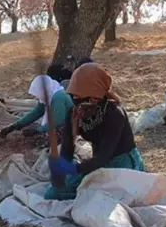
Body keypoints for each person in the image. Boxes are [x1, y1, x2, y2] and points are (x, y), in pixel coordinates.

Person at [46, 62, 144, 200]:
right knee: (53, 194)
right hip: (96, 164)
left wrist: (75, 169)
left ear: (95, 97)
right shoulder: (74, 114)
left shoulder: (114, 114)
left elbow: (104, 156)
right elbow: (67, 150)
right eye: (73, 95)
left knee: (103, 197)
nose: (75, 100)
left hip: (122, 164)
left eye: (79, 96)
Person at [0, 75, 73, 140]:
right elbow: (37, 112)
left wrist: (38, 130)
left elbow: (58, 121)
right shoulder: (49, 94)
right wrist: (15, 125)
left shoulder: (58, 97)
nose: (36, 97)